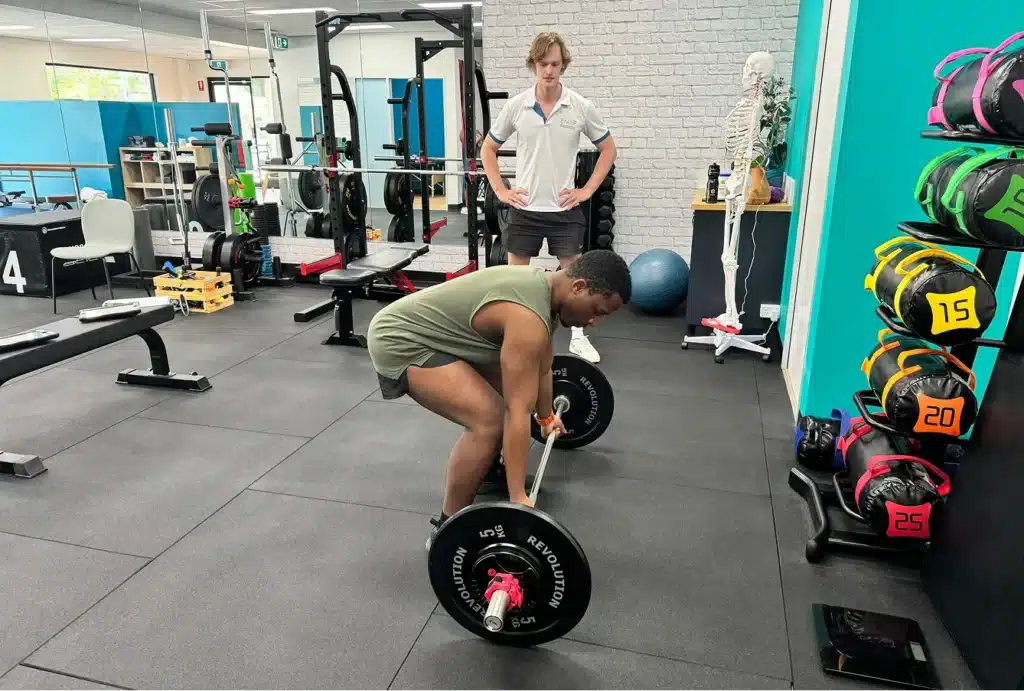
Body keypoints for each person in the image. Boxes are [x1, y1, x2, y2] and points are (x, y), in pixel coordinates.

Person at [365, 250, 631, 547]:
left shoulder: (546, 291)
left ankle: (487, 469)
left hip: (441, 335)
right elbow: (518, 410)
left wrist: (546, 417)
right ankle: (447, 528)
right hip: (401, 339)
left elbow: (543, 366)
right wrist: (518, 498)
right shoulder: (527, 316)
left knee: (514, 391)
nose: (594, 321)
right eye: (597, 311)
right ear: (579, 287)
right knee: (489, 420)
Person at [481, 31, 617, 364]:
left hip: (563, 210)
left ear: (563, 65)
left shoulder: (580, 106)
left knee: (577, 282)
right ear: (534, 65)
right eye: (543, 64)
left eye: (555, 64)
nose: (549, 70)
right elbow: (488, 148)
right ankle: (511, 337)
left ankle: (578, 338)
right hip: (525, 209)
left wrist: (587, 190)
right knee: (515, 282)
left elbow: (608, 149)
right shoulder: (517, 106)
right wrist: (501, 190)